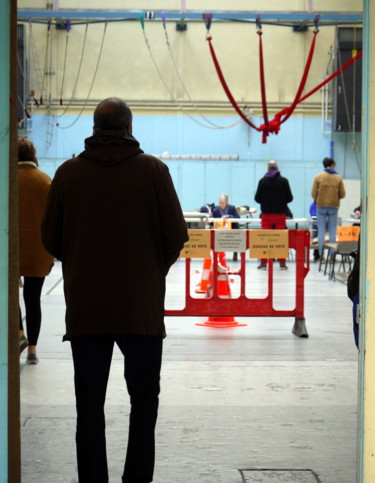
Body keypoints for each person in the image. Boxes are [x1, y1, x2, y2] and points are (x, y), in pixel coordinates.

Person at [41, 98, 188, 483]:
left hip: (87, 308)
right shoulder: (154, 171)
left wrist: (79, 266)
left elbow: (49, 237)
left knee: (88, 404)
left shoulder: (68, 173)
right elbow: (176, 236)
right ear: (129, 127)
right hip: (140, 309)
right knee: (144, 402)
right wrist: (152, 272)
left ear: (93, 127)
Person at [18, 136, 54, 364]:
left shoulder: (6, 179)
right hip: (39, 251)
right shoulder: (45, 181)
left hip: (10, 250)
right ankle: (32, 350)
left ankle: (18, 334)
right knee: (33, 300)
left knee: (9, 298)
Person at [254, 160, 293, 270]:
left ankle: (263, 263)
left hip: (266, 215)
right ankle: (282, 263)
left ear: (268, 169)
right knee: (281, 239)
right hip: (280, 215)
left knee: (264, 239)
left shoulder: (262, 181)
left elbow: (257, 198)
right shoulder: (284, 181)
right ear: (277, 168)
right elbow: (290, 198)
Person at [311, 157, 346, 260]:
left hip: (320, 206)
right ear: (332, 165)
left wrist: (318, 199)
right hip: (334, 206)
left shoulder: (318, 177)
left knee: (321, 230)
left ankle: (321, 255)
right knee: (332, 231)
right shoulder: (338, 178)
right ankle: (332, 255)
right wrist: (335, 198)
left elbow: (313, 193)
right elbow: (343, 194)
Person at [212, 193, 240, 260]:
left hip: (231, 227)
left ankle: (235, 253)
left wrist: (229, 216)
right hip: (219, 228)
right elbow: (213, 219)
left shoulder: (232, 208)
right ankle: (216, 254)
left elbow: (237, 217)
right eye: (220, 203)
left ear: (226, 202)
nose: (221, 204)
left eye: (223, 203)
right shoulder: (215, 209)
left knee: (237, 234)